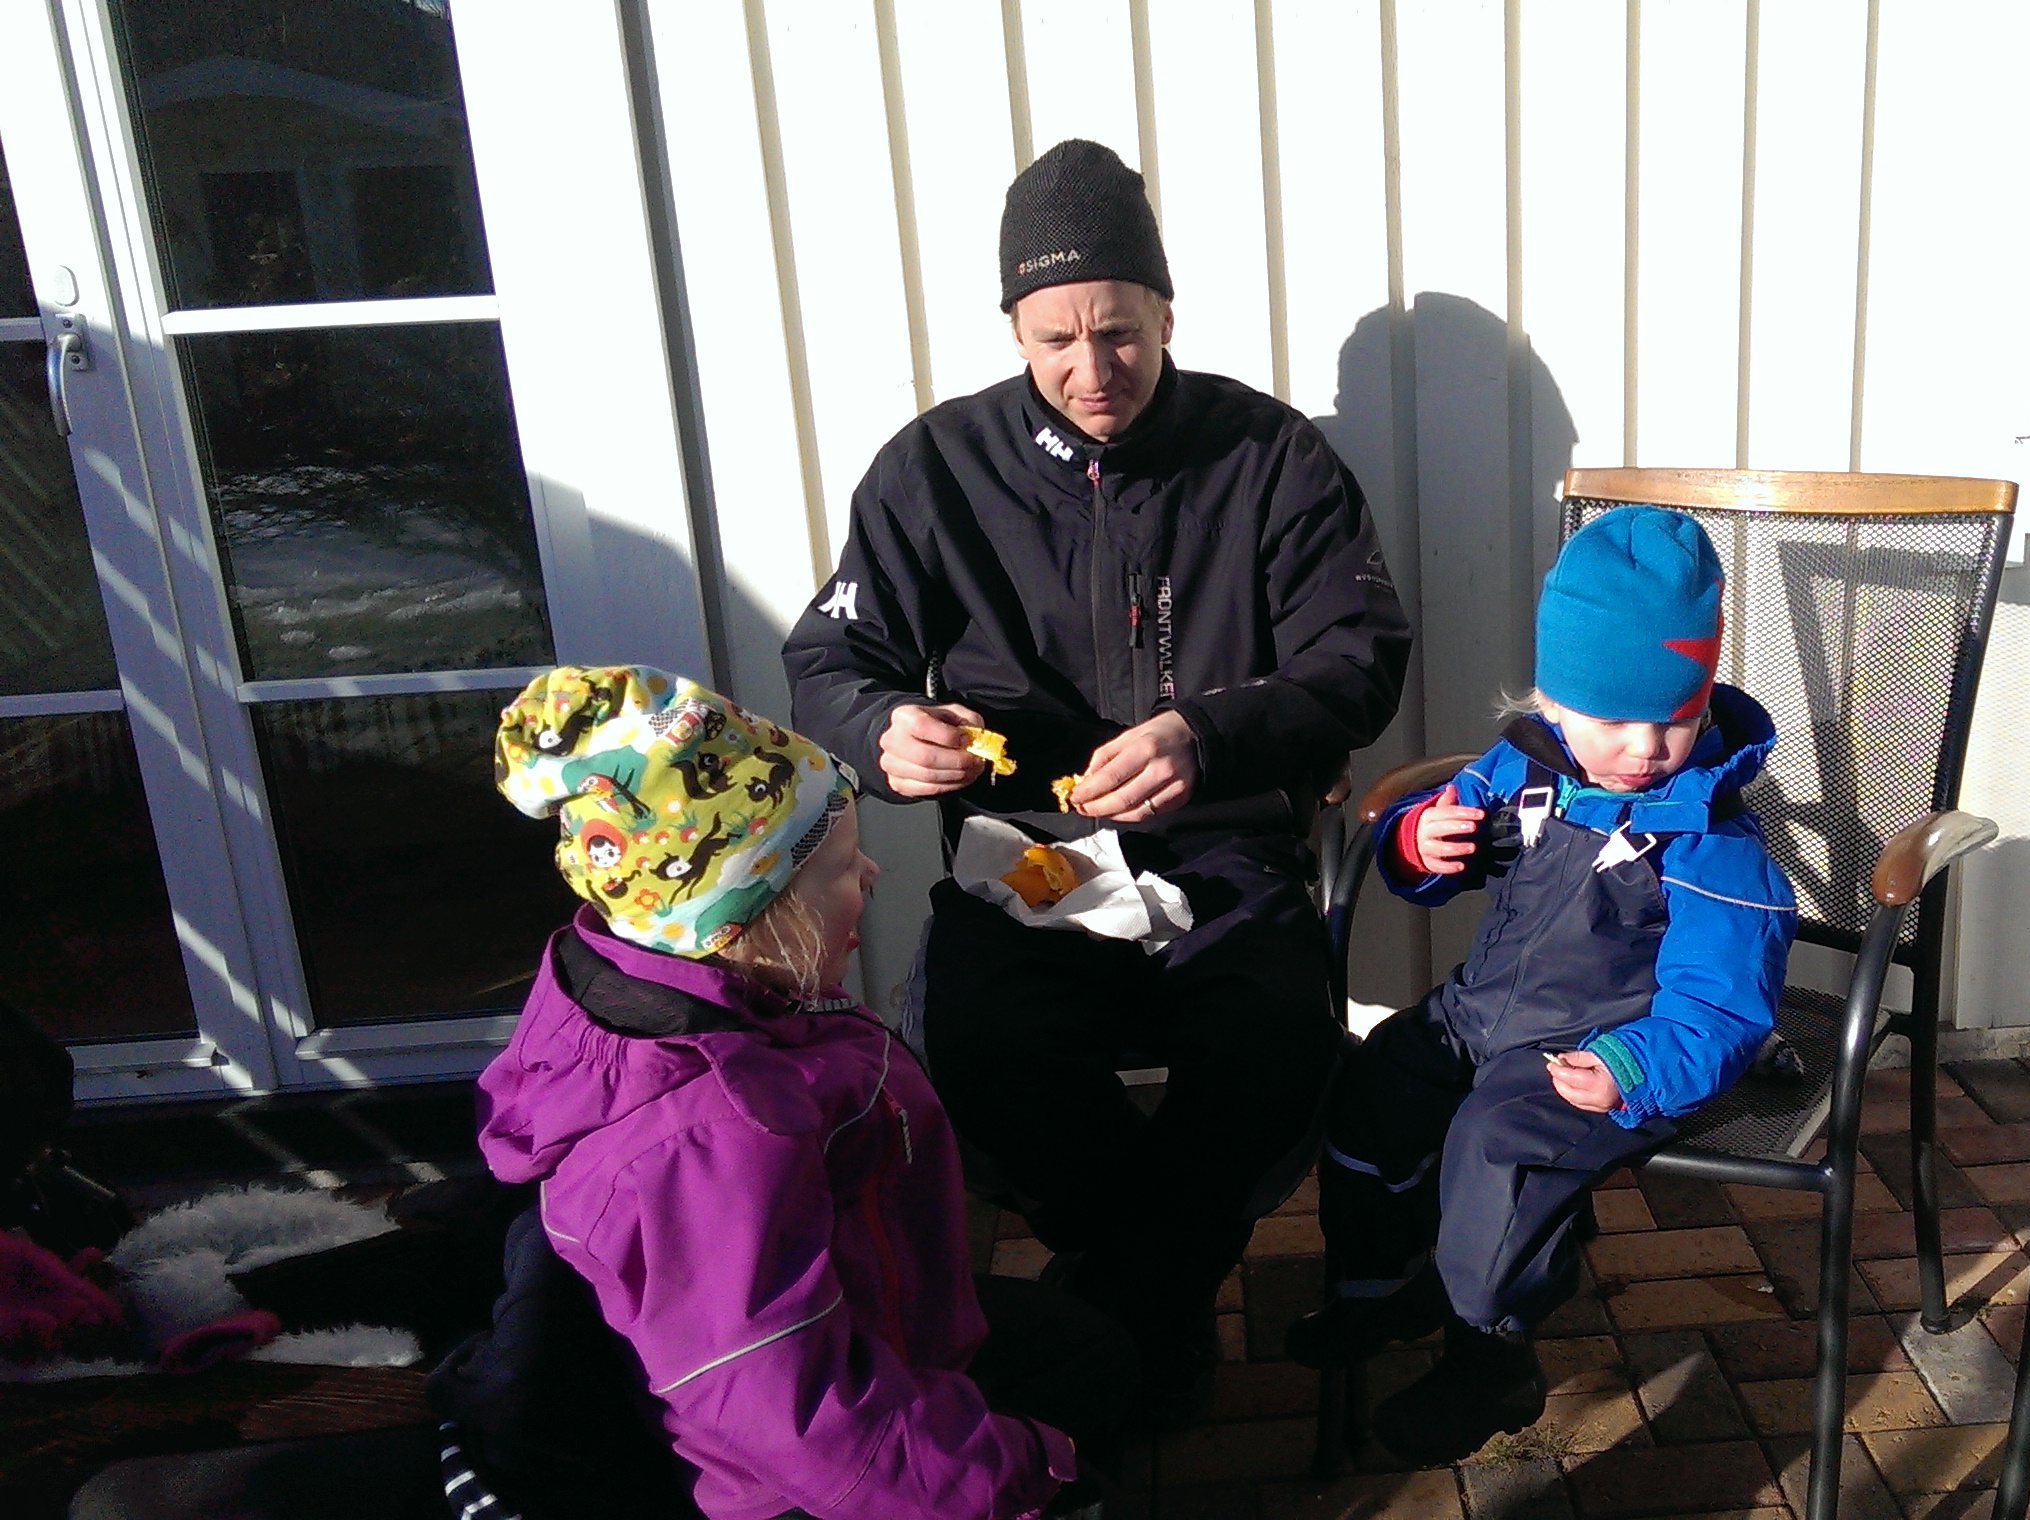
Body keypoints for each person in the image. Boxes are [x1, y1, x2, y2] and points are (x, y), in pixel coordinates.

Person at [781, 138, 1411, 1406]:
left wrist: (1207, 735)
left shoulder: (1269, 454)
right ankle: (1152, 1296)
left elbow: (1361, 658)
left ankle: (1114, 1320)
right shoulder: (934, 467)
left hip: (1225, 849)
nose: (1091, 368)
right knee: (978, 1044)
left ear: (1166, 312)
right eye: (1055, 338)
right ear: (1014, 329)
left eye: (1118, 331)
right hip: (1030, 857)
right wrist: (882, 728)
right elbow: (832, 657)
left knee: (1278, 1042)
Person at [468, 664, 1137, 1520]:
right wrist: (1022, 1472)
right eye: (844, 867)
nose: (872, 875)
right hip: (796, 1481)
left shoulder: (732, 992)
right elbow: (798, 1415)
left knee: (1095, 1359)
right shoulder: (709, 1137)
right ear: (749, 916)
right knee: (1068, 1445)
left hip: (875, 1324)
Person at [1283, 508, 1800, 1464]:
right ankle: (1384, 1287)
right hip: (1482, 1012)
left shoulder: (1711, 843)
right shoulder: (1527, 768)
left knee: (1499, 1145)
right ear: (1555, 705)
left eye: (1675, 720)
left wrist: (1634, 1067)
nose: (1646, 747)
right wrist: (1420, 841)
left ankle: (1491, 1358)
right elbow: (1441, 838)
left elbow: (1723, 1000)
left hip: (1600, 1048)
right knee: (1374, 1087)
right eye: (1616, 720)